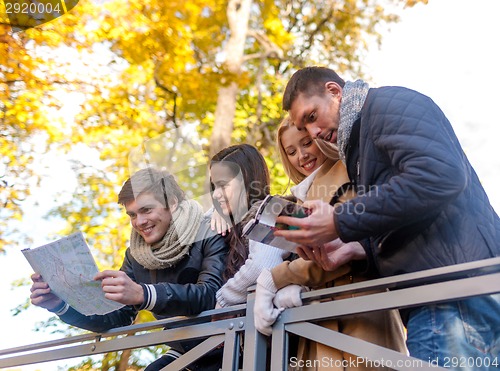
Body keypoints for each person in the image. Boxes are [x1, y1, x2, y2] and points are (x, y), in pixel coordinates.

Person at [272, 66, 500, 368]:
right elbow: (409, 210)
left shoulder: (389, 106)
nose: (313, 133)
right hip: (445, 293)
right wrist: (357, 248)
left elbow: (439, 176)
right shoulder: (361, 139)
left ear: (335, 91)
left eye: (311, 117)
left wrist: (339, 220)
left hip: (451, 293)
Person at [29, 167, 229, 371]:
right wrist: (59, 305)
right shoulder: (136, 255)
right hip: (184, 351)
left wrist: (143, 294)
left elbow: (212, 295)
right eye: (132, 214)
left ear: (173, 204)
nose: (139, 222)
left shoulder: (210, 230)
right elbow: (115, 318)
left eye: (146, 210)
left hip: (226, 347)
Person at [254, 116, 407, 370]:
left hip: (360, 314)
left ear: (318, 138)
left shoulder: (347, 173)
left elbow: (340, 251)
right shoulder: (300, 196)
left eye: (306, 144)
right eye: (291, 151)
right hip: (320, 322)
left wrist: (277, 278)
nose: (301, 156)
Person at [208, 143, 291, 308]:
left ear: (246, 180)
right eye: (214, 187)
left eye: (223, 185)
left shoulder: (271, 210)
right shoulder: (232, 222)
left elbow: (263, 265)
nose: (216, 194)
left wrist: (221, 300)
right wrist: (215, 212)